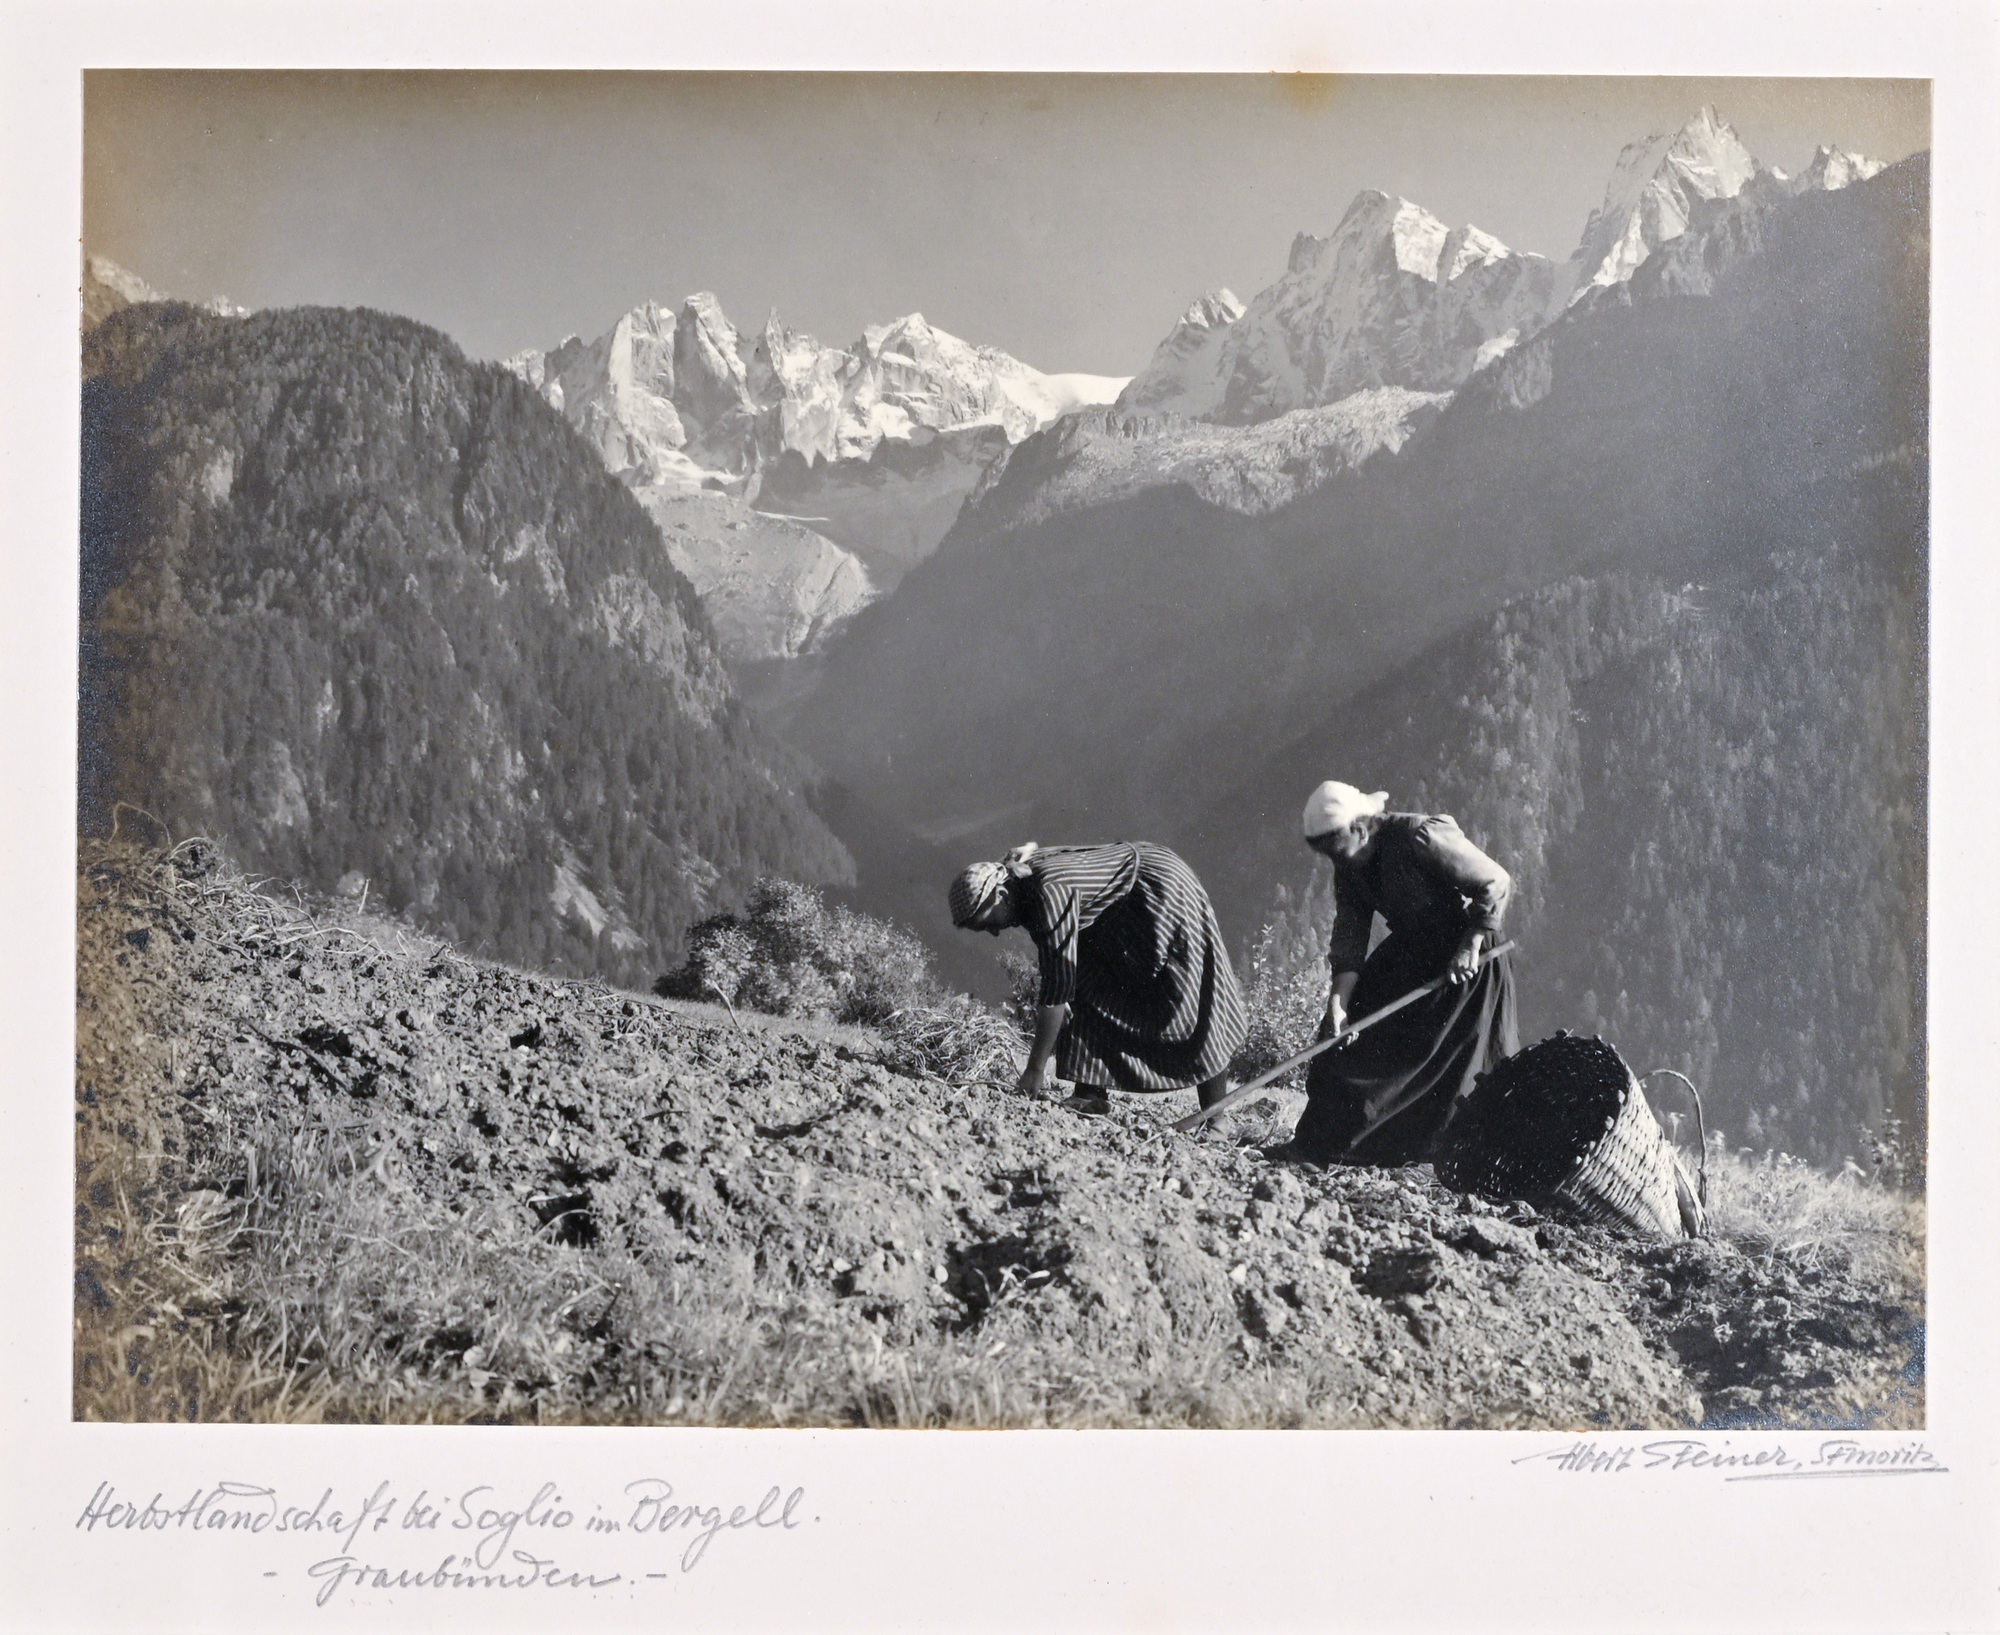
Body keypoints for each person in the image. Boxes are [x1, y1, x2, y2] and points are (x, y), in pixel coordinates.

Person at [1278, 782, 1519, 1166]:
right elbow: (1351, 935)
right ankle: (1321, 1146)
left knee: (1442, 1059)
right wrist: (1338, 1005)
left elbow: (1496, 881)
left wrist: (1471, 943)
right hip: (1412, 950)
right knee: (1347, 1038)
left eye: (1335, 847)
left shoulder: (1419, 835)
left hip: (1466, 956)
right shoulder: (1349, 866)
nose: (1333, 859)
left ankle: (1415, 1158)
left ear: (1360, 827)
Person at [949, 841, 1247, 1118]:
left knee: (1187, 992)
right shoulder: (1016, 878)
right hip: (1123, 905)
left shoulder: (1049, 893)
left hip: (1164, 890)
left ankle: (1216, 1118)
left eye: (987, 923)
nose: (994, 932)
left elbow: (1055, 992)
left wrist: (1034, 1071)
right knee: (1085, 974)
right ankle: (1090, 1093)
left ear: (1001, 895)